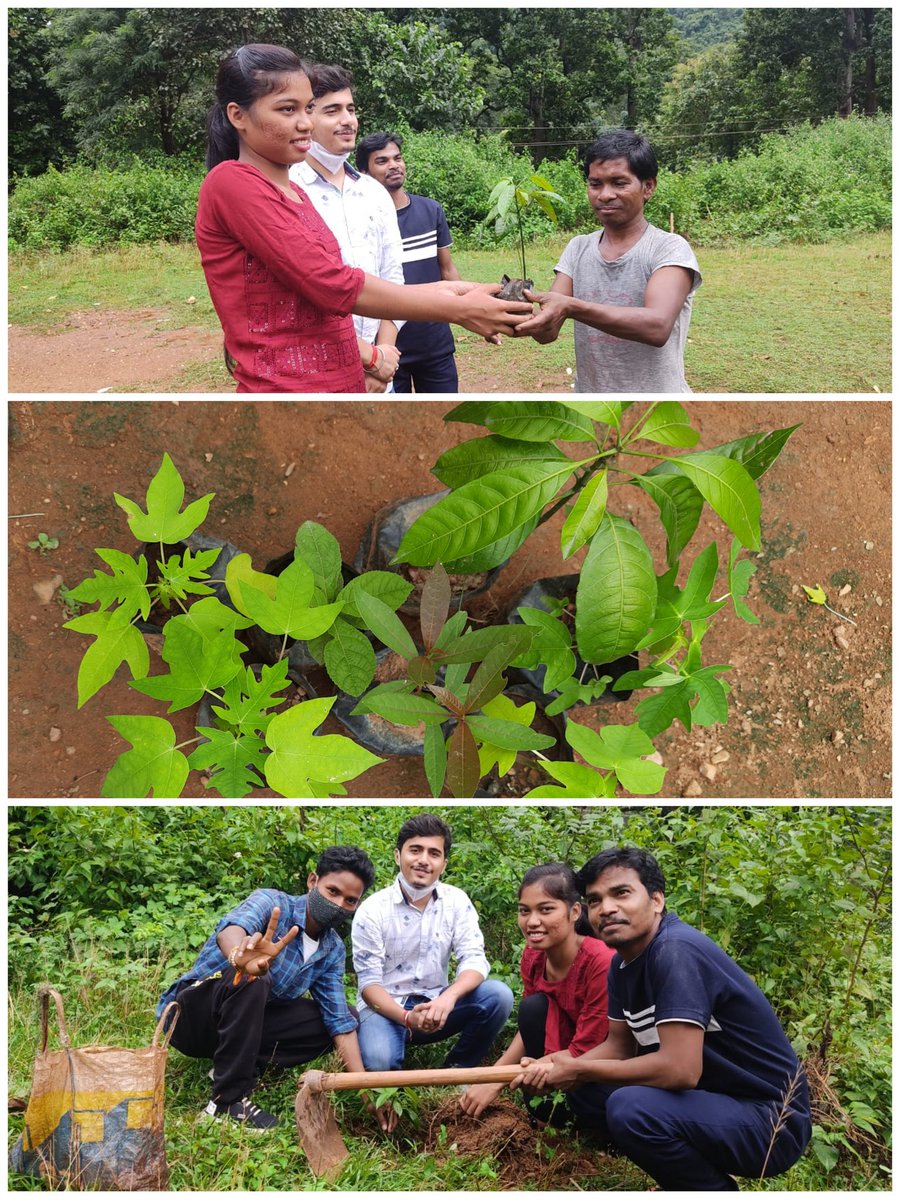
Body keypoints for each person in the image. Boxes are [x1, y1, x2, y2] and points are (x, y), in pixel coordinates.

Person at [197, 45, 531, 393]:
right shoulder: (231, 182)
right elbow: (331, 284)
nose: (305, 123)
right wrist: (455, 309)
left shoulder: (296, 194)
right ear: (238, 115)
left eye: (307, 108)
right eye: (287, 109)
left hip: (345, 388)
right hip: (289, 393)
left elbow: (333, 297)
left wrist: (461, 291)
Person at [514, 847, 813, 1191]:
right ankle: (679, 1169)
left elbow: (680, 1070)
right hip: (715, 1103)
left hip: (771, 1121)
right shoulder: (622, 963)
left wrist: (578, 1068)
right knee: (585, 1092)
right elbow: (617, 1047)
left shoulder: (675, 951)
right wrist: (556, 1064)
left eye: (621, 893)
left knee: (630, 1107)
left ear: (656, 900)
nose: (606, 908)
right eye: (595, 900)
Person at [157, 845, 396, 1132]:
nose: (338, 905)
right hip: (191, 1019)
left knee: (346, 1017)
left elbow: (338, 1023)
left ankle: (233, 1065)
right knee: (255, 979)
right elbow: (231, 930)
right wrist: (239, 957)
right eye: (332, 892)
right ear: (312, 881)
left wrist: (365, 1089)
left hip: (244, 1025)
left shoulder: (331, 949)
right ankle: (226, 1103)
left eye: (349, 900)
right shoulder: (272, 903)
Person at [516, 131, 701, 394]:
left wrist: (570, 307)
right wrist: (520, 314)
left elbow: (657, 327)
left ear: (648, 187)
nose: (604, 195)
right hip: (591, 402)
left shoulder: (668, 249)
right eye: (595, 184)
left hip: (656, 406)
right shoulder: (578, 248)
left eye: (619, 183)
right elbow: (547, 333)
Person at [351, 814, 513, 1070]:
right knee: (381, 1059)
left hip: (437, 1004)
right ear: (397, 856)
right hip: (385, 1007)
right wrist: (406, 1018)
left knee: (498, 996)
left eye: (433, 853)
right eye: (415, 850)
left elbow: (474, 959)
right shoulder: (373, 910)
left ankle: (456, 1073)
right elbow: (369, 985)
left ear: (444, 863)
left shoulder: (456, 901)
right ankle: (396, 1094)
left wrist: (447, 999)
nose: (423, 860)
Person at [460, 863, 615, 1128]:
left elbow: (588, 1048)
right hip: (558, 1058)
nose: (532, 922)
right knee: (533, 1008)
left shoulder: (600, 961)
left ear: (574, 911)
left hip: (598, 1066)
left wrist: (507, 1078)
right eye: (524, 911)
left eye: (546, 909)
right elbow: (530, 1026)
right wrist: (493, 1076)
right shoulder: (533, 956)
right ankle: (548, 1109)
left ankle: (582, 1119)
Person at [289, 66, 404, 393]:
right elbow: (302, 298)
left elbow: (392, 277)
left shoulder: (373, 192)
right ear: (306, 118)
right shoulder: (289, 189)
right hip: (315, 367)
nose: (348, 120)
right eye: (333, 110)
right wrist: (366, 359)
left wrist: (383, 358)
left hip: (381, 374)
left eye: (351, 109)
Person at [356, 131, 462, 393]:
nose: (393, 165)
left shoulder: (431, 210)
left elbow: (447, 269)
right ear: (364, 173)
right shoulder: (361, 223)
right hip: (387, 351)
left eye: (397, 158)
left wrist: (473, 309)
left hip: (435, 343)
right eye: (381, 161)